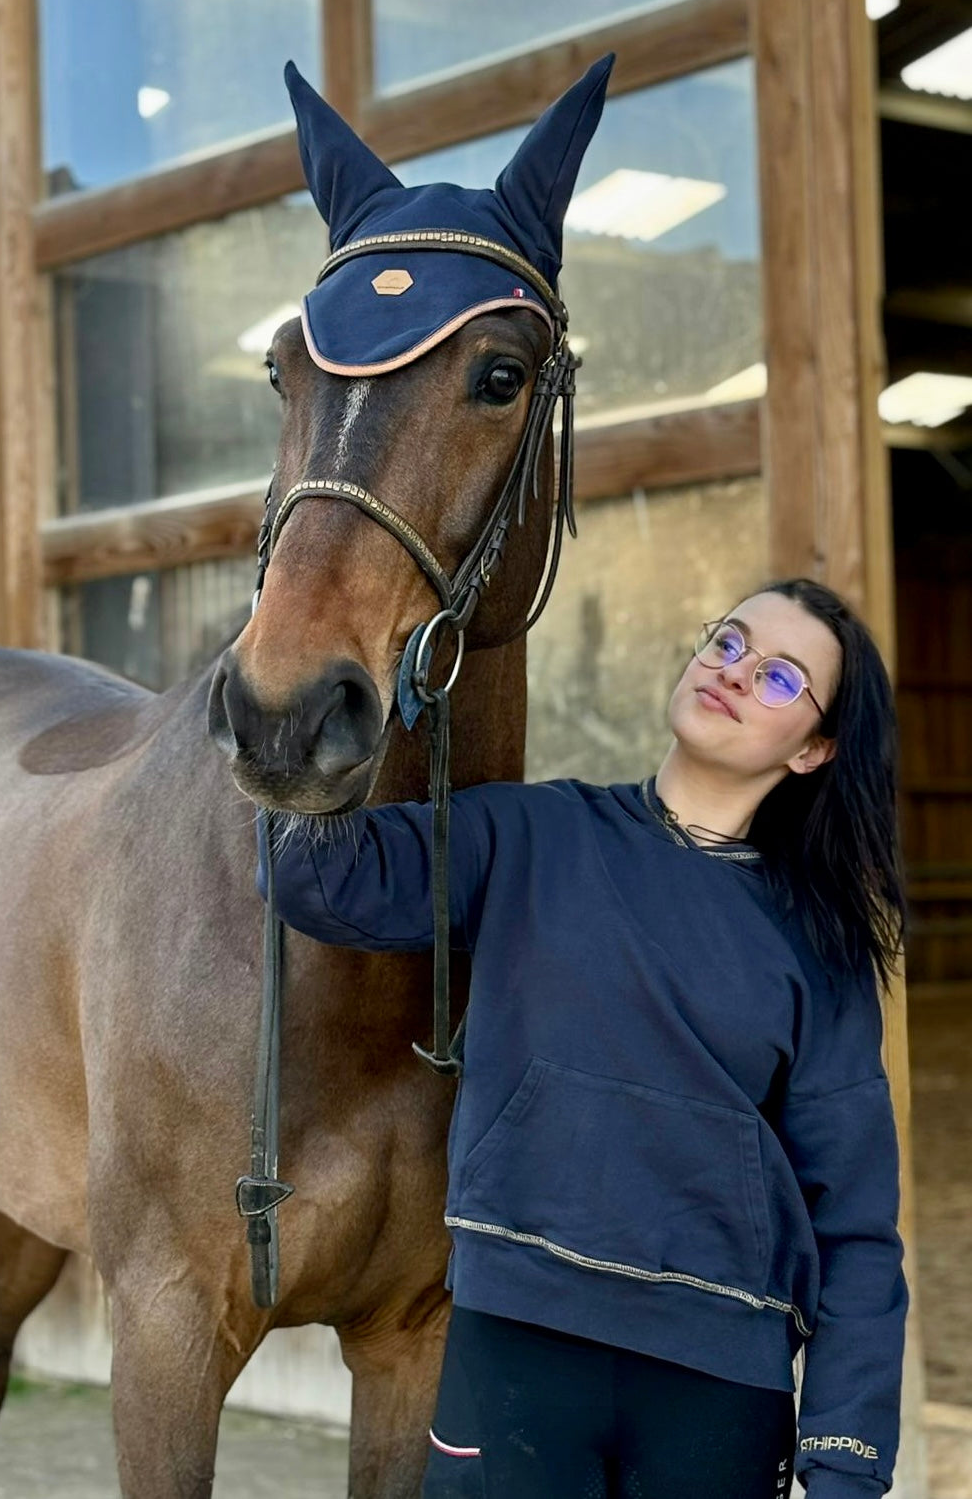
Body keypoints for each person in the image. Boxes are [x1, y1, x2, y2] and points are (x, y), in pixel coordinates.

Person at [256, 577, 909, 1499]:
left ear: (813, 748)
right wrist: (316, 685)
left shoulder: (819, 947)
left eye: (777, 679)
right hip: (515, 1345)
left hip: (718, 1379)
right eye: (727, 643)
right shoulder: (530, 832)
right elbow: (320, 879)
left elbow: (856, 1227)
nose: (734, 672)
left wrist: (844, 1459)